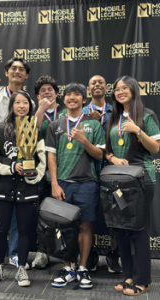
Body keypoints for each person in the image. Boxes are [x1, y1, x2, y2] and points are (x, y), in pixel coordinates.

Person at [45, 83, 105, 289]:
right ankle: (67, 268)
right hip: (62, 183)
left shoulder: (94, 125)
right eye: (69, 94)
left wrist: (84, 141)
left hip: (87, 183)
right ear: (64, 100)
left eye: (77, 95)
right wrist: (54, 183)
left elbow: (99, 155)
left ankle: (82, 268)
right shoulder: (55, 125)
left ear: (84, 100)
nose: (72, 97)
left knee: (86, 226)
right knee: (63, 228)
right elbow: (50, 156)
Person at [105, 75, 160, 296]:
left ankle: (143, 280)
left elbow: (155, 148)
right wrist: (113, 159)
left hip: (141, 180)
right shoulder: (114, 118)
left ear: (134, 90)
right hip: (117, 181)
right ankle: (127, 275)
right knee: (121, 230)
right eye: (117, 89)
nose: (120, 92)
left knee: (138, 230)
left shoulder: (146, 115)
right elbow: (107, 150)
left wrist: (137, 130)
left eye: (125, 88)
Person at [0, 91, 46, 286]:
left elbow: (42, 158)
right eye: (17, 102)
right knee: (1, 228)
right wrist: (11, 167)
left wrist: (33, 174)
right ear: (11, 105)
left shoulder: (35, 129)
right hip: (3, 186)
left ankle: (21, 268)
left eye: (25, 103)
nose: (21, 106)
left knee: (23, 229)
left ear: (30, 106)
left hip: (26, 187)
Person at [0, 57, 31, 272]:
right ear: (7, 72)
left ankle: (14, 254)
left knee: (17, 210)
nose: (17, 72)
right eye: (13, 68)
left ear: (26, 75)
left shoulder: (28, 99)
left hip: (21, 164)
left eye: (21, 69)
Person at [83, 75, 121, 273]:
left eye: (101, 83)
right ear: (88, 89)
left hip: (114, 171)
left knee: (116, 215)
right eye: (93, 83)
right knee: (87, 217)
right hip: (88, 172)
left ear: (107, 88)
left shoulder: (117, 111)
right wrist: (90, 122)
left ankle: (114, 255)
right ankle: (89, 255)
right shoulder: (80, 113)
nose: (97, 85)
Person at [31, 75, 67, 269]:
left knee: (65, 213)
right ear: (37, 96)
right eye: (42, 90)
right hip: (39, 171)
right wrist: (40, 111)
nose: (47, 92)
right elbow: (30, 135)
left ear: (56, 93)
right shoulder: (35, 113)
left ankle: (67, 254)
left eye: (50, 89)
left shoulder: (67, 111)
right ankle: (42, 252)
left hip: (65, 170)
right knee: (42, 214)